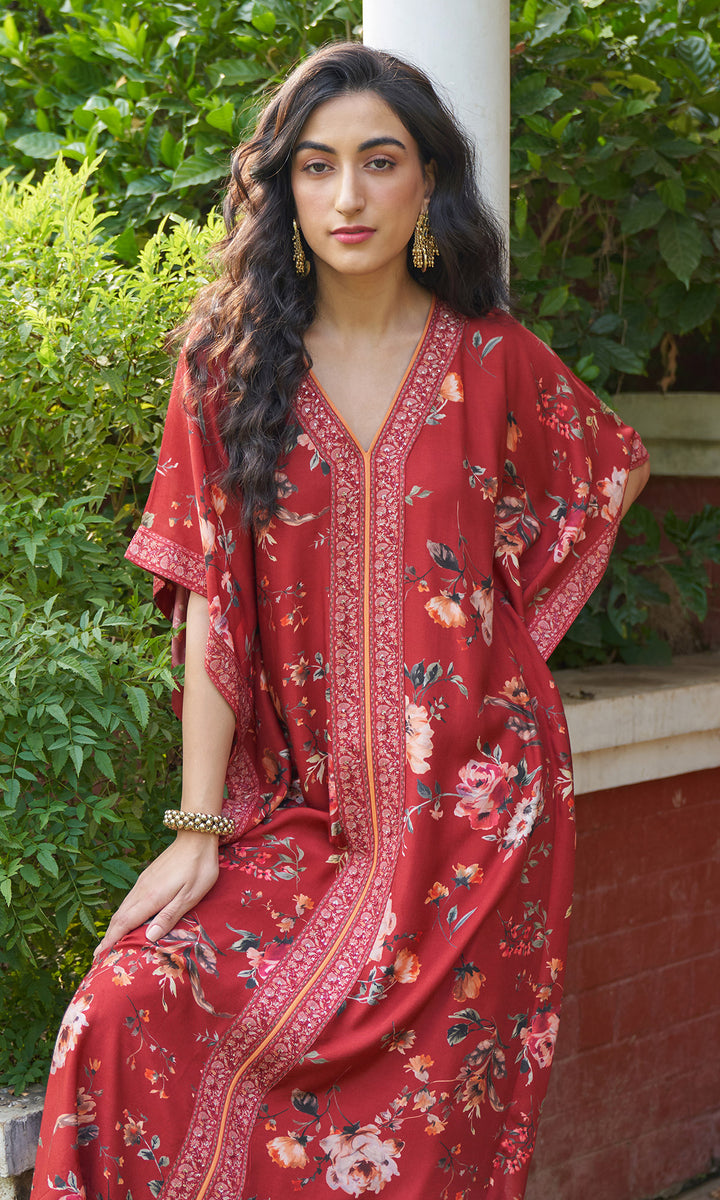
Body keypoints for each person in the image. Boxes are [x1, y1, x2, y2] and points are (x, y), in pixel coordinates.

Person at [31, 41, 649, 1200]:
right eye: (316, 166)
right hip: (300, 814)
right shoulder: (227, 368)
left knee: (426, 1151)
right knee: (125, 1004)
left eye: (380, 161)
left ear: (429, 180)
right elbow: (210, 601)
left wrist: (493, 642)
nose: (348, 196)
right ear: (285, 188)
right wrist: (197, 828)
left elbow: (607, 470)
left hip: (476, 826)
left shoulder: (493, 361)